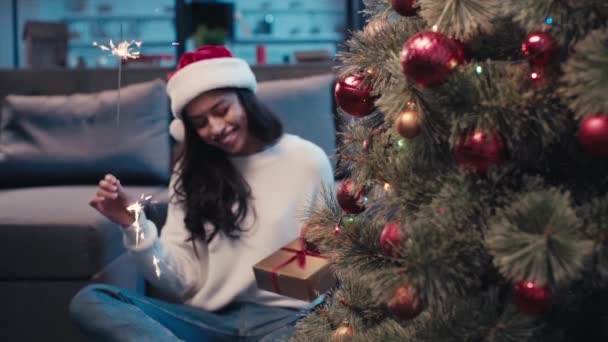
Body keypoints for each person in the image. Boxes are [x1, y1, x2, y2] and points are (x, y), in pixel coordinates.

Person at [69, 45, 334, 341]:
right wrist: (134, 225)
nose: (216, 128)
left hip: (284, 321)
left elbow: (330, 268)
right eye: (200, 123)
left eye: (222, 110)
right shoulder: (191, 172)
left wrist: (319, 255)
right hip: (208, 321)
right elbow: (180, 281)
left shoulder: (308, 161)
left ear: (244, 100)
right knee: (91, 300)